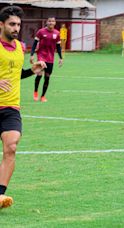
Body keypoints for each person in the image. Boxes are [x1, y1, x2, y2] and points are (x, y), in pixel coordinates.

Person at [0, 5, 46, 209]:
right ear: (1, 25)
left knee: (11, 146)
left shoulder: (20, 47)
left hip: (11, 107)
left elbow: (14, 75)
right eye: (12, 24)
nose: (16, 28)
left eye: (18, 24)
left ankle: (0, 195)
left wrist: (31, 71)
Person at [30, 16, 63, 102]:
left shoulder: (57, 33)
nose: (51, 23)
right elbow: (34, 43)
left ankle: (43, 96)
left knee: (47, 77)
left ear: (55, 23)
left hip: (50, 58)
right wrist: (32, 54)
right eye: (49, 21)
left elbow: (58, 47)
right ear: (46, 22)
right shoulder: (41, 32)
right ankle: (36, 92)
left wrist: (60, 58)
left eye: (52, 21)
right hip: (41, 56)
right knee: (39, 75)